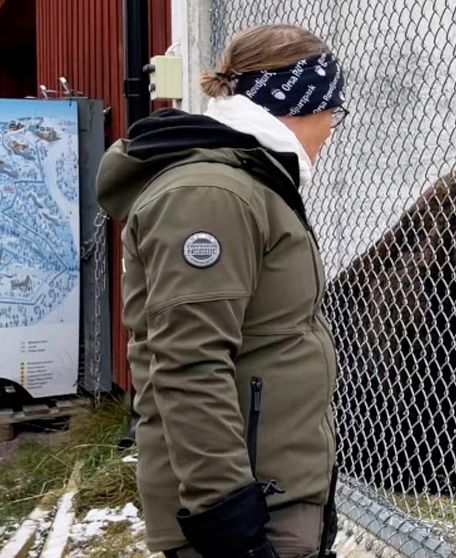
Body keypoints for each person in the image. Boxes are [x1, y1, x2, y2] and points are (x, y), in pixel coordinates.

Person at [96, 24, 347, 558]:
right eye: (332, 110)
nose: (330, 128)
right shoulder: (212, 195)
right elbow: (190, 363)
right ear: (299, 104)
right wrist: (227, 516)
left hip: (272, 487)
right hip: (242, 507)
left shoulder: (251, 183)